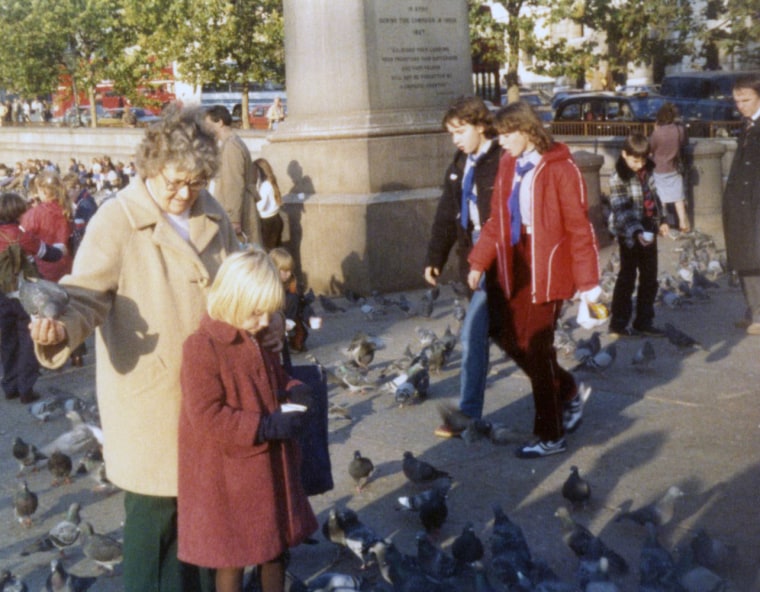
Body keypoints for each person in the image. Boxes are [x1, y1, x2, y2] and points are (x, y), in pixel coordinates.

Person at [29, 106, 285, 592]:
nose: (184, 192)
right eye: (174, 181)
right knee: (154, 524)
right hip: (153, 400)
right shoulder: (117, 220)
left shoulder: (211, 211)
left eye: (195, 181)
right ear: (149, 166)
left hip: (216, 395)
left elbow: (240, 284)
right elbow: (85, 294)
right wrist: (60, 330)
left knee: (210, 523)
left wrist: (266, 320)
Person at [178, 249, 318, 592]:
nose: (263, 321)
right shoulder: (202, 347)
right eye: (257, 313)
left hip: (265, 468)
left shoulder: (257, 336)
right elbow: (206, 415)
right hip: (227, 475)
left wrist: (295, 389)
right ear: (232, 299)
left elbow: (275, 377)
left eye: (269, 313)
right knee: (232, 558)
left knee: (274, 550)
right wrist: (263, 426)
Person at [467, 101, 599, 459]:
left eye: (508, 134)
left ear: (527, 131)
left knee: (538, 347)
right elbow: (496, 219)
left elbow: (579, 228)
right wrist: (479, 260)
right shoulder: (509, 162)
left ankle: (550, 435)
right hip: (515, 260)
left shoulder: (561, 167)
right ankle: (568, 388)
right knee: (505, 333)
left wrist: (588, 284)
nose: (502, 142)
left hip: (548, 265)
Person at [423, 95, 504, 435]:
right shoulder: (460, 163)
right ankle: (469, 413)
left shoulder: (502, 159)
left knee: (477, 335)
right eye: (451, 133)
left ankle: (468, 413)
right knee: (484, 336)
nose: (455, 139)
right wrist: (434, 257)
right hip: (471, 260)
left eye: (460, 130)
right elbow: (446, 213)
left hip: (498, 262)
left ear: (481, 125)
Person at [0, 192, 63, 404]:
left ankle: (10, 385)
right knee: (28, 340)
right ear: (17, 211)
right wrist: (62, 248)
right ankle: (26, 388)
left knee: (6, 342)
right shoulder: (22, 236)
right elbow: (50, 254)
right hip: (25, 296)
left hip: (1, 297)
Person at [608, 133, 670, 338]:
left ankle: (644, 321)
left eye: (643, 159)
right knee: (627, 277)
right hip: (629, 232)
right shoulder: (618, 177)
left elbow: (655, 198)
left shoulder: (647, 170)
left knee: (650, 278)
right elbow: (621, 209)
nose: (639, 164)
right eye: (635, 160)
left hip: (648, 228)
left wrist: (662, 221)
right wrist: (635, 232)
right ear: (624, 154)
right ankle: (617, 324)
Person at [723, 72, 760, 335]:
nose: (740, 105)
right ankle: (752, 309)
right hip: (741, 203)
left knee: (755, 256)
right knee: (745, 257)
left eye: (746, 100)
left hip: (756, 201)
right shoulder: (747, 124)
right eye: (737, 100)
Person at [203, 105, 263, 247]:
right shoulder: (230, 143)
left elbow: (233, 184)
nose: (205, 128)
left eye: (208, 123)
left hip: (235, 213)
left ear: (220, 122)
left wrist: (234, 218)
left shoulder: (231, 146)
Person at [20, 170, 73, 283]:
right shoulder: (67, 209)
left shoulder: (35, 213)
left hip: (42, 268)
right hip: (65, 267)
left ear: (43, 192)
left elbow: (22, 237)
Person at [270, 247, 320, 352]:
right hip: (272, 320)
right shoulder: (265, 286)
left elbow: (301, 304)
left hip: (289, 317)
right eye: (285, 270)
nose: (289, 274)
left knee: (294, 300)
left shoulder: (292, 284)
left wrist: (310, 318)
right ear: (274, 269)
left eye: (290, 270)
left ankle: (293, 342)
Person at [650, 102, 689, 232]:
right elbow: (684, 143)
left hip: (659, 168)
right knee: (678, 198)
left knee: (662, 199)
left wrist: (655, 131)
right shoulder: (679, 130)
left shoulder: (657, 133)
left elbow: (651, 149)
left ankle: (663, 223)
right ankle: (683, 224)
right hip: (675, 167)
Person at [254, 158, 284, 250]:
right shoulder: (271, 183)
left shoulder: (265, 186)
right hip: (276, 218)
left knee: (268, 252)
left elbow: (260, 207)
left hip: (267, 222)